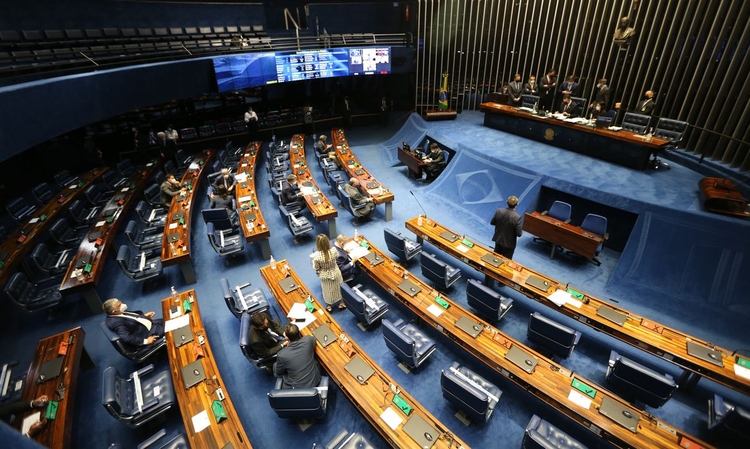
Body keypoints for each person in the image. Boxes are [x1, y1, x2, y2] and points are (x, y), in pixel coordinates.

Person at [273, 324, 321, 389]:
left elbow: (279, 372)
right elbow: (313, 340)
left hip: (298, 387)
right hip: (315, 380)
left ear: (287, 337)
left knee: (275, 367)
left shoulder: (282, 354)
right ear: (299, 333)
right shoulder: (308, 340)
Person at [312, 234, 345, 312]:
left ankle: (329, 305)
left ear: (318, 244)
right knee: (339, 287)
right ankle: (342, 302)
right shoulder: (333, 250)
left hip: (325, 275)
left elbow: (316, 267)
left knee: (327, 290)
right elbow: (337, 257)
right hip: (335, 272)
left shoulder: (316, 256)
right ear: (327, 242)